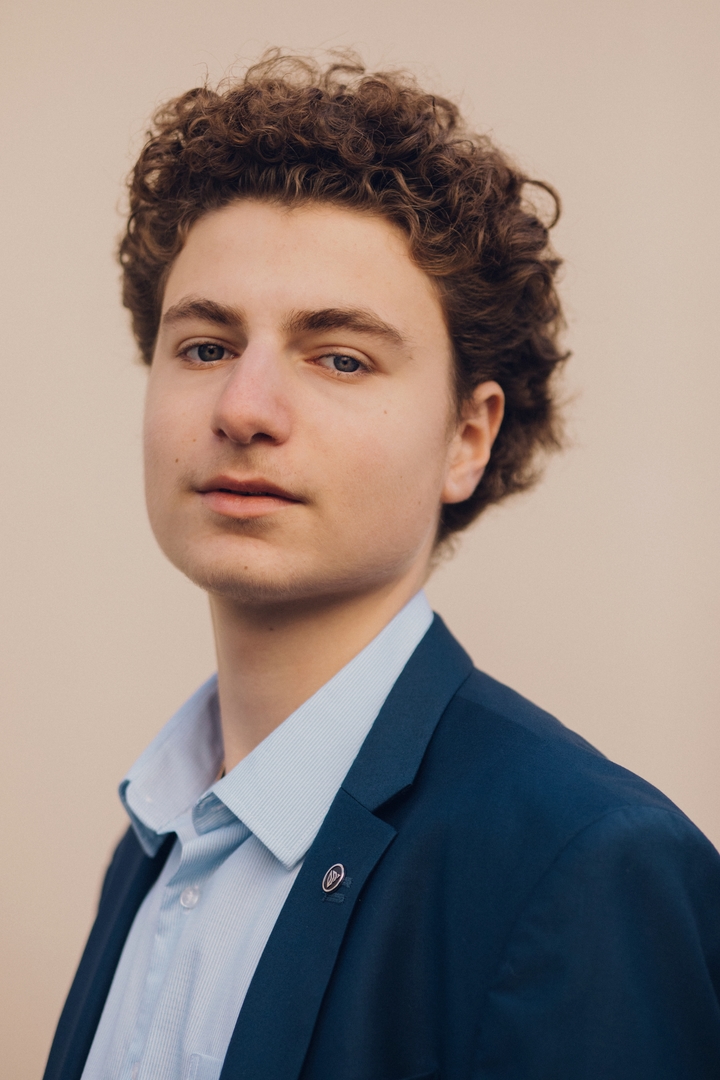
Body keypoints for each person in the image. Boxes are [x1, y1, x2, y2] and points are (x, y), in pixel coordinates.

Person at [44, 53, 720, 1080]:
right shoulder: (158, 838)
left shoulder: (588, 863)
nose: (243, 408)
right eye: (206, 346)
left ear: (467, 437)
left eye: (340, 357)